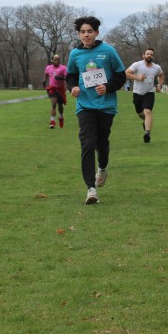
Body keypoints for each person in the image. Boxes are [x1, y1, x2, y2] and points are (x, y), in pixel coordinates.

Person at [66, 16, 126, 205]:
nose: (86, 35)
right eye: (82, 32)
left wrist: (107, 87)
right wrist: (72, 88)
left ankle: (102, 167)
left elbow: (121, 76)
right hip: (84, 105)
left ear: (96, 33)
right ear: (78, 34)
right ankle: (91, 190)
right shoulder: (75, 54)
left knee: (102, 143)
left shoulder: (108, 51)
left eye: (89, 31)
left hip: (106, 106)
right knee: (87, 143)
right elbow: (71, 76)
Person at [125, 48, 164, 143]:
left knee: (148, 112)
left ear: (153, 57)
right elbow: (126, 74)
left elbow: (161, 75)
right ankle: (146, 122)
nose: (149, 55)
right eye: (148, 54)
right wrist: (137, 77)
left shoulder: (156, 68)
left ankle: (147, 133)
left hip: (149, 93)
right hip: (137, 93)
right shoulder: (137, 65)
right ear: (144, 55)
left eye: (151, 54)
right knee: (140, 114)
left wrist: (160, 85)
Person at [42, 54, 68, 129]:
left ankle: (61, 116)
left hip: (60, 89)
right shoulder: (48, 67)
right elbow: (46, 74)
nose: (56, 61)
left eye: (58, 60)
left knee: (60, 105)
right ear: (52, 60)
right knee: (53, 104)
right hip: (52, 88)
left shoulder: (63, 68)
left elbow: (67, 77)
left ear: (60, 60)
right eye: (55, 60)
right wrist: (44, 81)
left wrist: (61, 78)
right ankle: (52, 121)